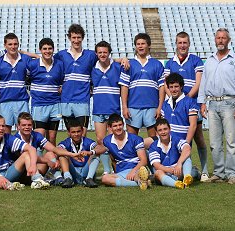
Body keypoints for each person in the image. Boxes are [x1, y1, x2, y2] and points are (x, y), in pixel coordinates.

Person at [163, 32, 209, 182]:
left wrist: (186, 99)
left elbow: (198, 83)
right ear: (176, 44)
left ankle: (204, 170)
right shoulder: (170, 63)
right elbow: (166, 83)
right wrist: (173, 98)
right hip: (176, 105)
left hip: (191, 104)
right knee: (175, 138)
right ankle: (179, 167)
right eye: (180, 43)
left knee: (199, 138)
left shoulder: (195, 60)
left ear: (189, 44)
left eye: (185, 43)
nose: (182, 45)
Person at [198, 28, 235, 184]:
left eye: (223, 38)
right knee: (214, 142)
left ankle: (232, 174)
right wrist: (202, 102)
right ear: (215, 40)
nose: (220, 40)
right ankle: (219, 173)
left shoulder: (234, 59)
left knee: (231, 141)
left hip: (230, 103)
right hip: (212, 103)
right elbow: (203, 83)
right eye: (218, 38)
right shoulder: (210, 60)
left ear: (229, 40)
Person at [0, 115, 50, 189]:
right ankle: (9, 185)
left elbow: (31, 149)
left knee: (26, 154)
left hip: (9, 172)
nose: (1, 128)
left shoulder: (8, 137)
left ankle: (37, 180)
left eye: (3, 126)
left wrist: (33, 165)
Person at [54, 24, 97, 136]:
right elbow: (47, 62)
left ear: (82, 38)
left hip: (82, 100)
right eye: (74, 37)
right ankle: (71, 154)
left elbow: (106, 60)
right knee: (71, 134)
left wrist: (124, 59)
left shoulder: (90, 55)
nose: (76, 40)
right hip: (66, 99)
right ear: (69, 38)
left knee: (82, 133)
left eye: (78, 37)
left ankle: (82, 154)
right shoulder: (62, 55)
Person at [120, 33, 165, 137]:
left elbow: (162, 87)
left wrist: (159, 107)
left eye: (143, 44)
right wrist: (124, 107)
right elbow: (124, 87)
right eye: (138, 44)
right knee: (132, 141)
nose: (140, 46)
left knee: (154, 140)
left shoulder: (157, 64)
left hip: (152, 107)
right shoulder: (129, 64)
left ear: (148, 45)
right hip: (133, 107)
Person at [91, 41, 124, 175]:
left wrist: (123, 59)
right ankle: (106, 169)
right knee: (100, 140)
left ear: (109, 53)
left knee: (113, 142)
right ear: (96, 54)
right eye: (100, 52)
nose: (102, 55)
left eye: (105, 52)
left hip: (113, 110)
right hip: (98, 109)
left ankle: (117, 166)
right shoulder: (92, 67)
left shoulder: (117, 66)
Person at [93, 113, 150, 190]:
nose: (118, 128)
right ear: (110, 128)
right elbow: (113, 159)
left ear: (123, 125)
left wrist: (133, 171)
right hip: (121, 171)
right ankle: (141, 183)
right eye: (115, 126)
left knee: (138, 175)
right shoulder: (107, 141)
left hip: (136, 168)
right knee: (105, 178)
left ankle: (139, 180)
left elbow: (143, 160)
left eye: (120, 125)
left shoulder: (136, 139)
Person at [27, 38, 64, 146]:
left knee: (52, 138)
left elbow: (63, 80)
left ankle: (52, 162)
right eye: (44, 49)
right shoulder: (33, 64)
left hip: (55, 105)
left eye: (50, 48)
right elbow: (25, 78)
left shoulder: (60, 64)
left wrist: (62, 86)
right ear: (40, 50)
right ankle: (38, 162)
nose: (47, 51)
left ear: (53, 50)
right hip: (39, 105)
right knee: (39, 139)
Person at [0, 33, 32, 134]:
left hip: (21, 101)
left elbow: (40, 60)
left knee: (24, 131)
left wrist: (28, 54)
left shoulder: (25, 59)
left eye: (15, 44)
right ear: (5, 45)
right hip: (5, 101)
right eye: (10, 44)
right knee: (5, 132)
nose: (13, 46)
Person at [148, 118, 194, 189]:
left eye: (165, 129)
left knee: (186, 158)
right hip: (164, 172)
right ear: (156, 133)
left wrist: (179, 163)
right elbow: (157, 165)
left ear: (170, 129)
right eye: (160, 130)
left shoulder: (176, 139)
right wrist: (170, 170)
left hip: (178, 170)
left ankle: (187, 178)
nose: (163, 132)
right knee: (158, 173)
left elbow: (187, 149)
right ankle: (176, 184)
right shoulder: (154, 146)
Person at [14, 112, 61, 180]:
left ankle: (58, 178)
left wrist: (72, 155)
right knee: (27, 155)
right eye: (24, 125)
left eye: (29, 125)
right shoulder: (15, 139)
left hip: (34, 168)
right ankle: (39, 179)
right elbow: (28, 157)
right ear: (18, 126)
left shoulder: (36, 135)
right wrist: (48, 161)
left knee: (50, 154)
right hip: (20, 173)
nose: (27, 127)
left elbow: (53, 149)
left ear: (32, 125)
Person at [56, 120, 100, 188]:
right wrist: (72, 155)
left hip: (86, 171)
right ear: (68, 133)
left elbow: (102, 148)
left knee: (96, 153)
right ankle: (68, 178)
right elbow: (57, 150)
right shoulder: (66, 142)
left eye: (78, 131)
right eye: (73, 132)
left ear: (82, 131)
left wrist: (90, 152)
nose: (76, 134)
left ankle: (89, 179)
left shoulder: (88, 141)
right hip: (73, 172)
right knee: (62, 155)